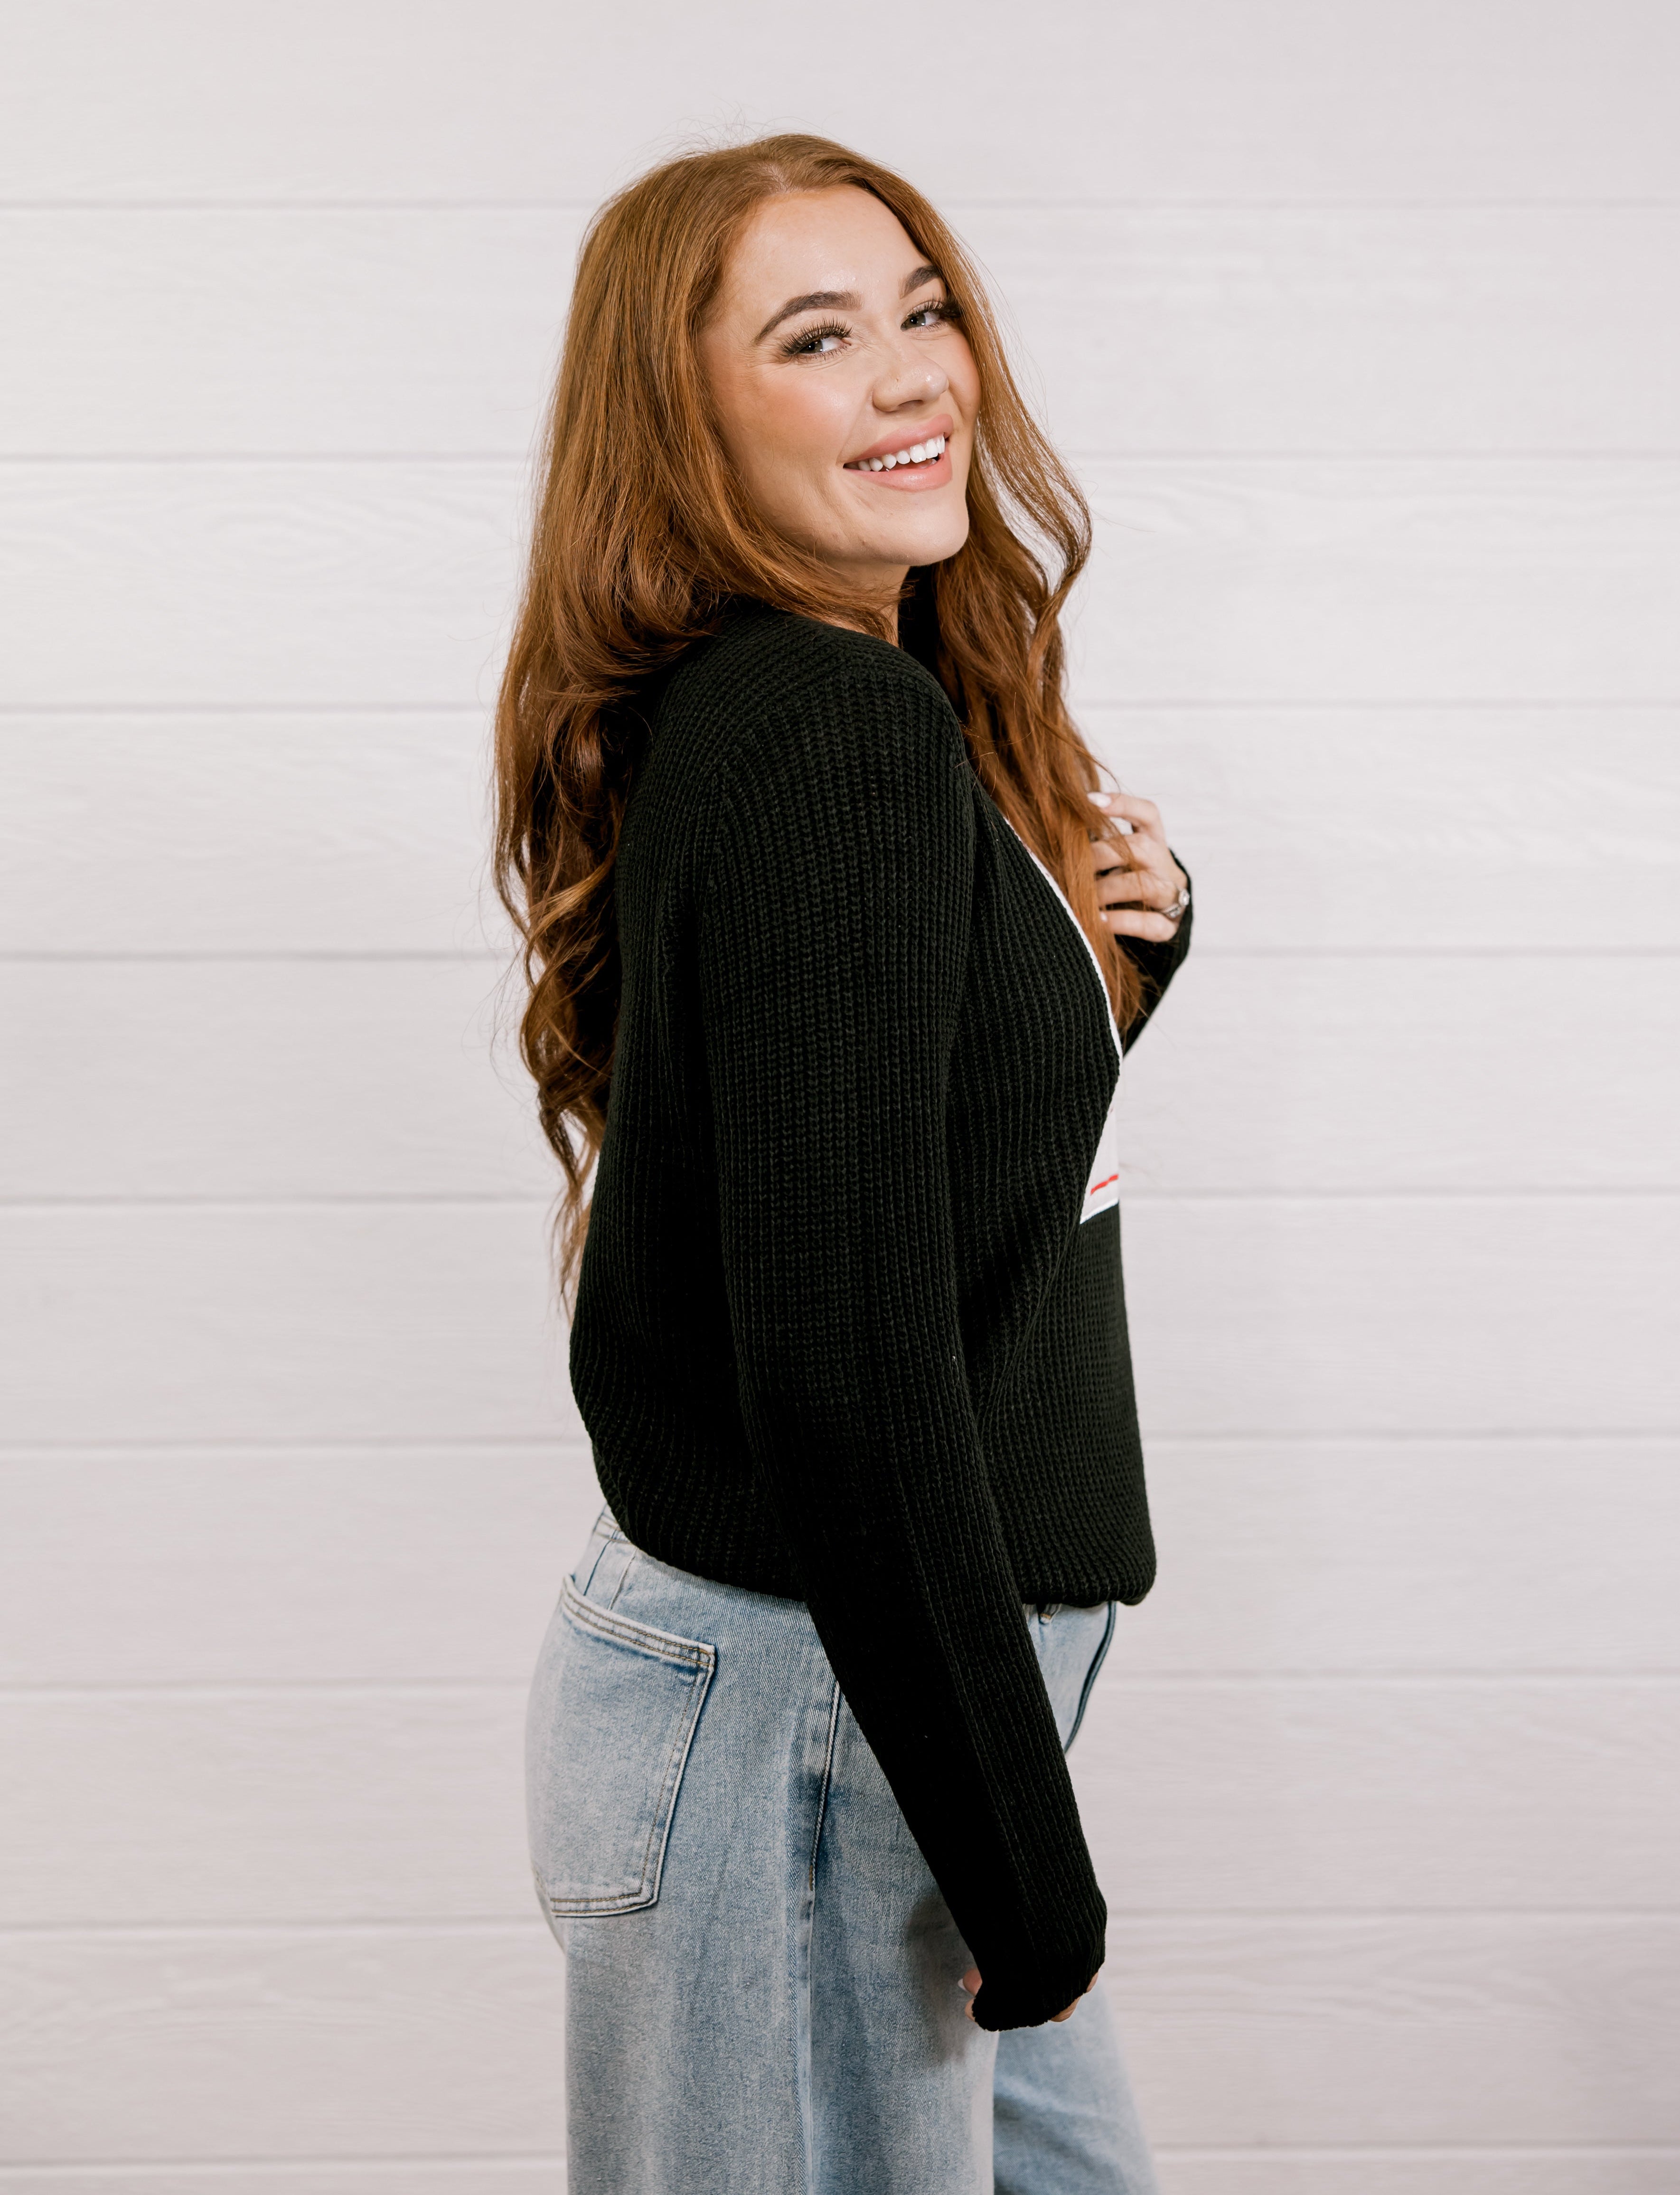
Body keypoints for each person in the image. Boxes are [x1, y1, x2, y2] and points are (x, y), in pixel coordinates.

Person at [494, 132, 1192, 2195]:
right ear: (687, 415)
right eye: (817, 338)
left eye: (923, 310)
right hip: (814, 1719)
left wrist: (1103, 976)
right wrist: (1016, 1864)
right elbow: (836, 1354)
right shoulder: (829, 735)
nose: (914, 380)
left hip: (854, 1709)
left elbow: (862, 1176)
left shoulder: (827, 707)